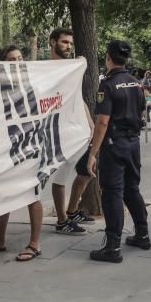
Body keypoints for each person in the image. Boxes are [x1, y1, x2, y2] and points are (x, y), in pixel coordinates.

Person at [0, 45, 46, 263]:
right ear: (3, 63)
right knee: (3, 192)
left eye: (20, 58)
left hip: (30, 146)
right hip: (6, 147)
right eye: (11, 59)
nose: (17, 62)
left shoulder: (33, 83)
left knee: (32, 193)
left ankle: (34, 244)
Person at [88, 41, 150, 262]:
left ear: (108, 58)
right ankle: (142, 233)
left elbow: (102, 122)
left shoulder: (107, 85)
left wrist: (92, 153)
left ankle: (112, 246)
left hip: (114, 145)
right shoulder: (136, 83)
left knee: (112, 192)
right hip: (133, 143)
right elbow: (142, 112)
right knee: (132, 189)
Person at [48, 28, 91, 233]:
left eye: (70, 44)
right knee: (61, 177)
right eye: (64, 42)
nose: (68, 47)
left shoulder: (72, 68)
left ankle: (72, 210)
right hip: (60, 131)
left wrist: (90, 122)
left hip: (79, 129)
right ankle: (62, 221)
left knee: (88, 170)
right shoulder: (46, 70)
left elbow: (78, 96)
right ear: (52, 42)